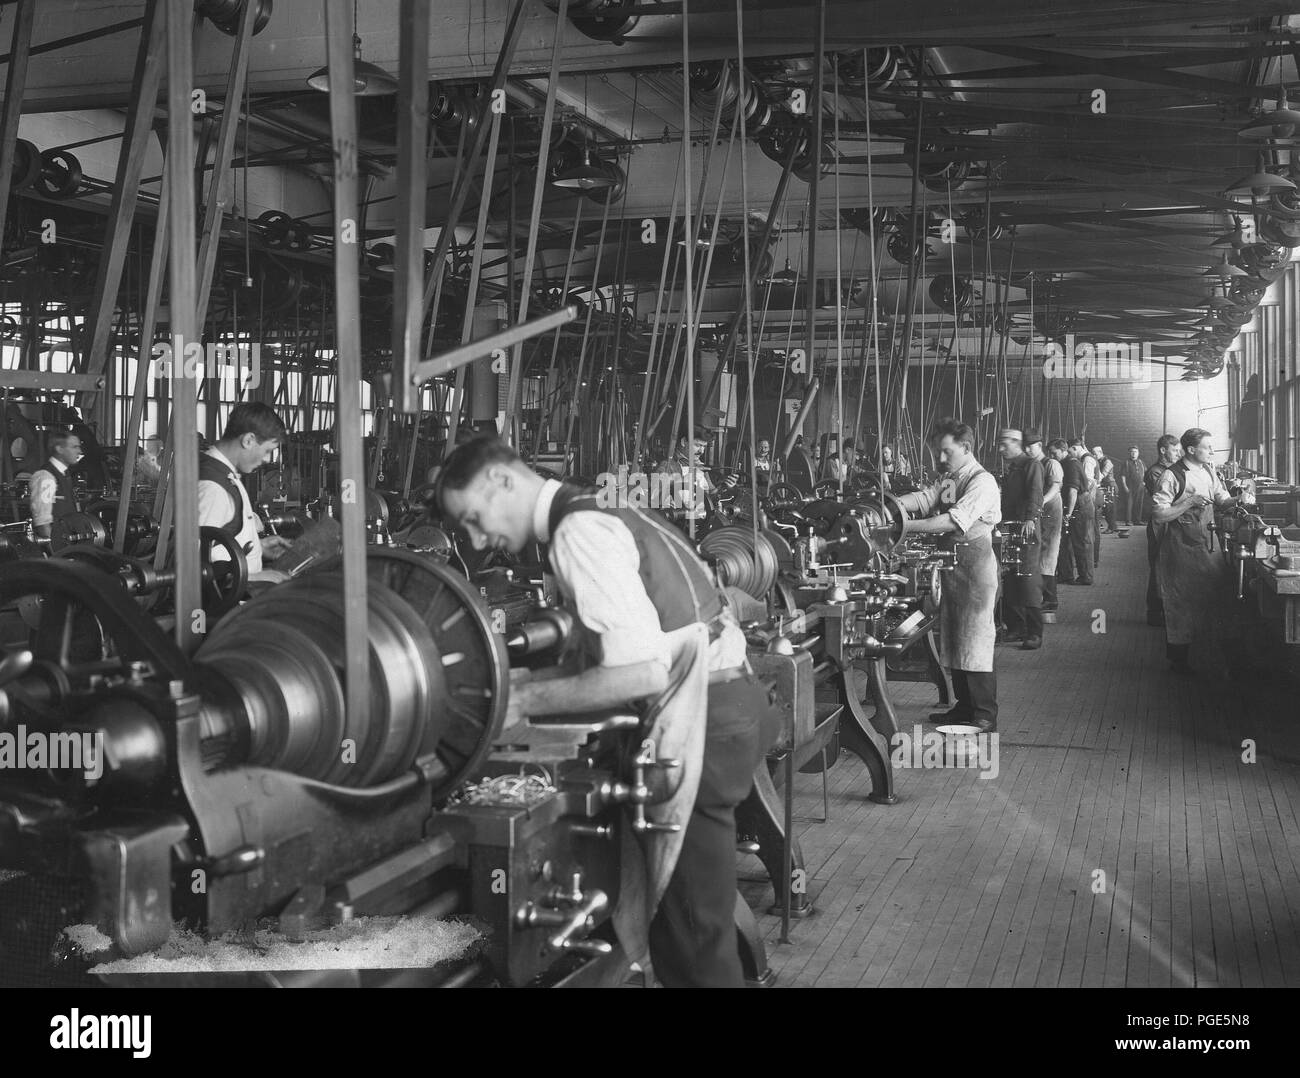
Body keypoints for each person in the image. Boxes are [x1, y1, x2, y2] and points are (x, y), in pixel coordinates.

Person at [436, 437, 781, 987]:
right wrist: (533, 679)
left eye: (475, 519)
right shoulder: (601, 503)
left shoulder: (579, 531)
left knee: (694, 939)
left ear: (503, 480)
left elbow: (641, 672)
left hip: (699, 725)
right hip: (726, 707)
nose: (479, 540)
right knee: (691, 926)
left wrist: (521, 700)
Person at [895, 419, 1001, 733]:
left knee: (976, 639)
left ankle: (984, 714)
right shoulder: (953, 478)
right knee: (955, 637)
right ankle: (964, 707)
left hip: (976, 567)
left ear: (966, 448)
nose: (940, 459)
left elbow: (953, 522)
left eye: (946, 452)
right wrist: (892, 506)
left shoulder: (982, 482)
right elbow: (927, 498)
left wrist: (904, 526)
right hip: (953, 566)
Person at [1151, 428, 1249, 674]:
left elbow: (1221, 498)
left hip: (1207, 543)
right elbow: (1159, 514)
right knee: (1182, 604)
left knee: (1221, 599)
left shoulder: (1207, 470)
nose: (1212, 451)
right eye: (1208, 447)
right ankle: (1179, 663)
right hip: (1180, 548)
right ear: (1192, 449)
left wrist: (1239, 498)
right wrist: (1188, 502)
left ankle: (1231, 661)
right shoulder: (1172, 476)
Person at [197, 402, 294, 584]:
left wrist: (259, 547)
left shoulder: (223, 473)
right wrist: (255, 577)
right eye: (267, 451)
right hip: (224, 605)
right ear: (248, 440)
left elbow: (218, 540)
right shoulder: (213, 487)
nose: (266, 459)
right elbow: (194, 560)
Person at [996, 429, 1044, 650]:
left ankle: (1035, 632)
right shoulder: (1013, 467)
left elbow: (1035, 492)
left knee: (1027, 578)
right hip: (1010, 528)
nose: (1000, 449)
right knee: (1012, 578)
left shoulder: (1031, 465)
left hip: (1026, 529)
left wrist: (1031, 519)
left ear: (1017, 443)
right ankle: (1016, 627)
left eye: (1005, 444)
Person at [1144, 434, 1181, 627]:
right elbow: (1170, 500)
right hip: (1160, 524)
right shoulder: (1155, 473)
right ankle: (1155, 612)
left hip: (1169, 522)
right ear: (1163, 450)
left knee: (1166, 565)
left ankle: (1164, 609)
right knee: (1158, 566)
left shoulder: (1170, 471)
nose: (1178, 453)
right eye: (1174, 450)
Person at [1026, 431, 1061, 616]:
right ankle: (1043, 597)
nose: (1026, 450)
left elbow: (1056, 487)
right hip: (1041, 510)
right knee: (1040, 555)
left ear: (1039, 445)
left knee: (1049, 554)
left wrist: (1040, 502)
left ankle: (1050, 600)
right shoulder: (1034, 464)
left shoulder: (1051, 463)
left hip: (1050, 510)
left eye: (1030, 447)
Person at [28, 430, 83, 539]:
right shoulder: (46, 476)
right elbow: (42, 523)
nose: (79, 451)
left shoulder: (65, 474)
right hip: (57, 548)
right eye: (74, 447)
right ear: (59, 449)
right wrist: (54, 550)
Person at [1053, 439, 1093, 586]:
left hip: (1080, 504)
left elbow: (1072, 491)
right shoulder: (1066, 463)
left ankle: (1086, 577)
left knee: (1080, 541)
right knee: (1065, 542)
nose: (1052, 455)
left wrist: (1068, 514)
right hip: (1075, 504)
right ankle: (1065, 575)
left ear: (1064, 450)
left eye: (1054, 452)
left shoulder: (1071, 464)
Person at [658, 433, 714, 528]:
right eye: (697, 445)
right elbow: (657, 500)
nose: (701, 451)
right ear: (684, 442)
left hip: (698, 523)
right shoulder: (667, 465)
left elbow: (710, 495)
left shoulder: (700, 467)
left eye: (704, 447)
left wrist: (725, 486)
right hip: (675, 526)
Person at [1067, 438, 1099, 580]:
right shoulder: (1084, 459)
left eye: (1070, 451)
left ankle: (1086, 575)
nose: (1070, 454)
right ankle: (1086, 573)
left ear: (1075, 448)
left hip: (1085, 499)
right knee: (1087, 538)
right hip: (1087, 499)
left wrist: (1086, 497)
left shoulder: (1086, 459)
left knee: (1085, 540)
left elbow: (1089, 481)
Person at [1118, 445, 1147, 527]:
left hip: (1140, 486)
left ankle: (1137, 520)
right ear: (1129, 453)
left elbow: (1145, 473)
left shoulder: (1141, 462)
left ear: (1138, 453)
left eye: (1135, 452)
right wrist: (1125, 486)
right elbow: (1122, 476)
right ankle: (1128, 521)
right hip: (1130, 486)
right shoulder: (1126, 463)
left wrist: (1144, 483)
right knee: (1129, 504)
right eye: (1132, 452)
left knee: (1139, 503)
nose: (1133, 454)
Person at [1093, 445, 1117, 534]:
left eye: (1095, 454)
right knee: (1107, 507)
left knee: (1109, 508)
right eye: (1093, 454)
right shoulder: (1100, 461)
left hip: (1110, 486)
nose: (1094, 456)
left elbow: (1102, 475)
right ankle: (1113, 526)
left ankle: (1111, 527)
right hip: (1106, 486)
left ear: (1100, 453)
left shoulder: (1107, 462)